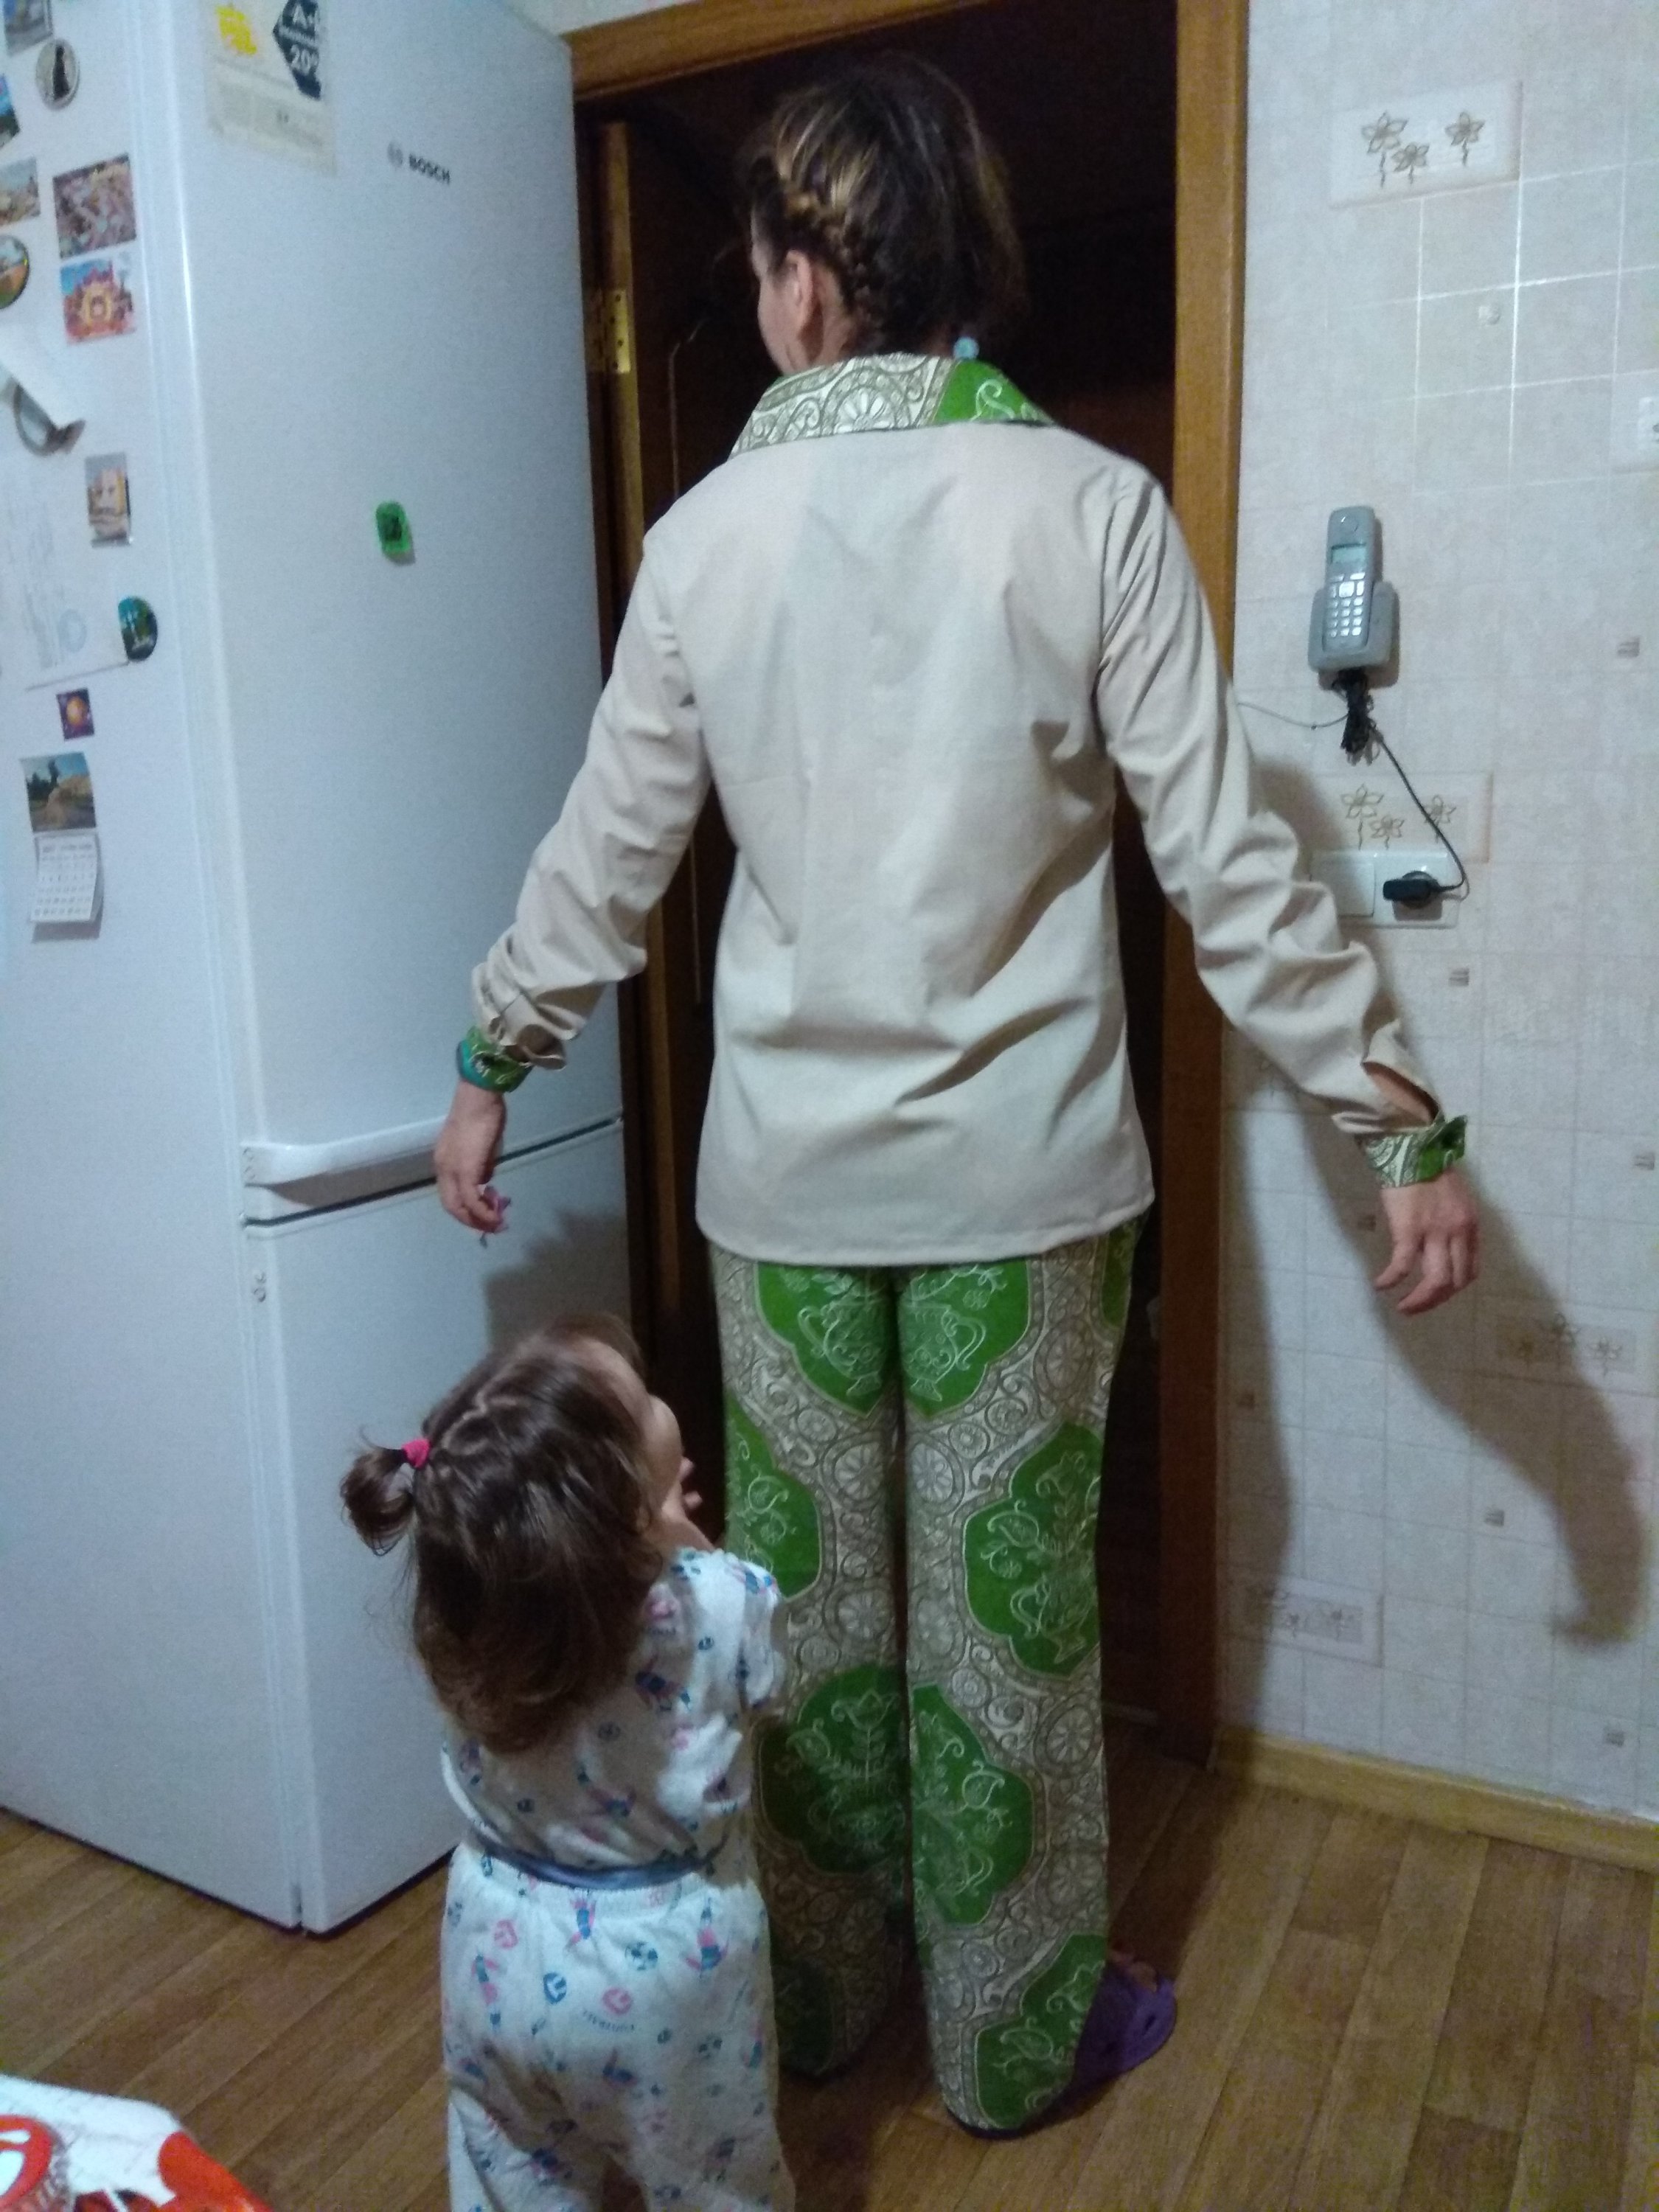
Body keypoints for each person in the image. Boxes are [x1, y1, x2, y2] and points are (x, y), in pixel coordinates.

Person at [434, 58, 1478, 2138]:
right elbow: (1233, 871)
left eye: (764, 258)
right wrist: (1398, 1123)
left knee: (802, 1629)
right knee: (1013, 1637)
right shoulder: (1090, 508)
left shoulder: (702, 541)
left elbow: (606, 858)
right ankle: (1011, 2044)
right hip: (1030, 1191)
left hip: (785, 1195)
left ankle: (819, 2009)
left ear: (805, 278)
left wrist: (492, 1056)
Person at [341, 1318, 793, 2212]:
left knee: (514, 2166)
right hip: (666, 1972)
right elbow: (766, 1686)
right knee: (713, 2184)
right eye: (640, 1399)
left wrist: (643, 1531)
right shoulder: (720, 1600)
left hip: (491, 1944)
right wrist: (683, 1544)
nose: (654, 1393)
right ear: (619, 1504)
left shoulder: (470, 1606)